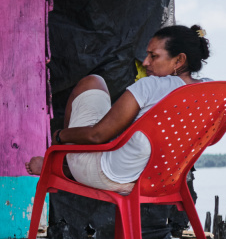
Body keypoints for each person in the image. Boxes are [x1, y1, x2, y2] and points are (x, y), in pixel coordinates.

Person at [25, 25, 212, 192]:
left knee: (92, 82)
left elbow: (97, 136)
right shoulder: (209, 93)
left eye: (153, 56)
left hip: (111, 174)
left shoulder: (151, 86)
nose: (145, 62)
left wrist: (59, 136)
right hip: (164, 180)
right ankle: (65, 167)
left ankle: (60, 166)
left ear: (179, 61)